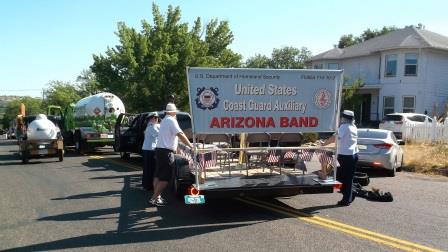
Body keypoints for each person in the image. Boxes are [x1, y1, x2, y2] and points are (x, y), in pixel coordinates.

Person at [149, 103, 194, 207]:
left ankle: (157, 197)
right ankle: (153, 199)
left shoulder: (164, 120)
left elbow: (171, 137)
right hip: (166, 152)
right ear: (173, 112)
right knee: (165, 178)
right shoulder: (171, 120)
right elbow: (180, 134)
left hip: (160, 151)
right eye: (176, 113)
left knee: (158, 175)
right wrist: (191, 146)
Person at [323, 110, 358, 206]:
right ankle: (349, 195)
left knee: (338, 177)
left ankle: (347, 198)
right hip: (354, 155)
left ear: (344, 118)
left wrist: (323, 144)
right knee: (348, 178)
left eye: (342, 117)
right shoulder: (354, 127)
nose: (340, 118)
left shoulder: (344, 127)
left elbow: (334, 138)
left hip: (345, 156)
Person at [141, 112, 160, 191]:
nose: (156, 119)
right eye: (154, 117)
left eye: (156, 118)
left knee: (148, 168)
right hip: (149, 150)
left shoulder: (151, 126)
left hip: (149, 149)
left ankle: (147, 185)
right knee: (150, 169)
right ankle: (148, 186)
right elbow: (159, 134)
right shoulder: (151, 127)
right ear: (151, 118)